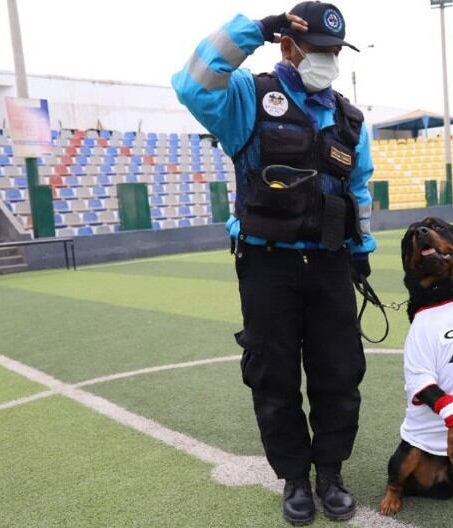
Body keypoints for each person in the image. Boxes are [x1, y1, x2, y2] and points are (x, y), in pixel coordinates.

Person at [172, 2, 375, 524]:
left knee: (339, 371)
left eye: (335, 52)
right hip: (267, 266)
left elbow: (358, 191)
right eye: (318, 50)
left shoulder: (351, 120)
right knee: (273, 375)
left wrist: (361, 254)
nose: (327, 60)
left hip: (330, 264)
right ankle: (294, 480)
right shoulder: (247, 98)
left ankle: (330, 473)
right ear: (289, 45)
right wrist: (255, 31)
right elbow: (193, 83)